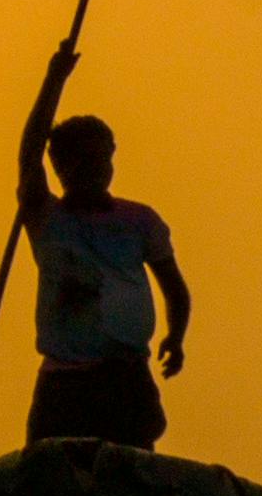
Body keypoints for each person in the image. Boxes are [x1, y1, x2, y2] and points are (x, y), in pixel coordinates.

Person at [16, 38, 191, 449]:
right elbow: (28, 152)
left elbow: (175, 289)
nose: (95, 170)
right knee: (51, 462)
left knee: (130, 460)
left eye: (102, 160)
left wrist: (176, 336)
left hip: (125, 378)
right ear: (60, 167)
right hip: (64, 382)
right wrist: (54, 79)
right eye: (81, 162)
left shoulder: (139, 220)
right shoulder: (48, 218)